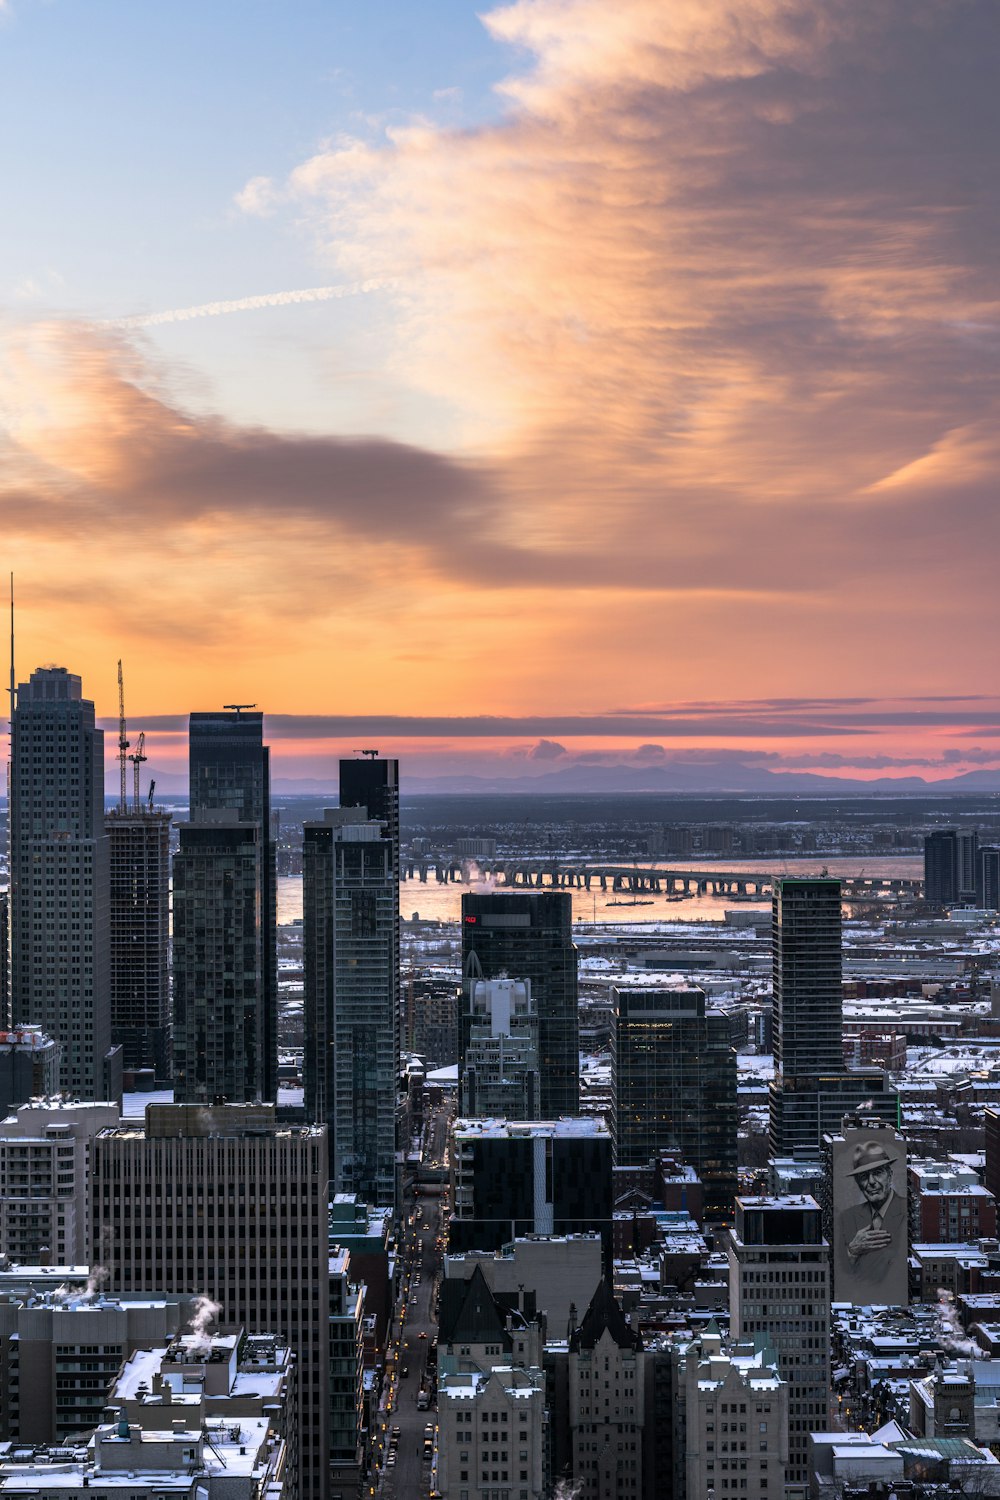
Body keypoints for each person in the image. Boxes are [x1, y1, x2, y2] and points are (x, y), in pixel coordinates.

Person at [836, 1139, 906, 1296]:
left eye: (878, 1173)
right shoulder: (847, 1217)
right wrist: (852, 1251)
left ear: (890, 1175)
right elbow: (842, 1273)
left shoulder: (905, 1211)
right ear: (858, 1183)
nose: (871, 1182)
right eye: (863, 1176)